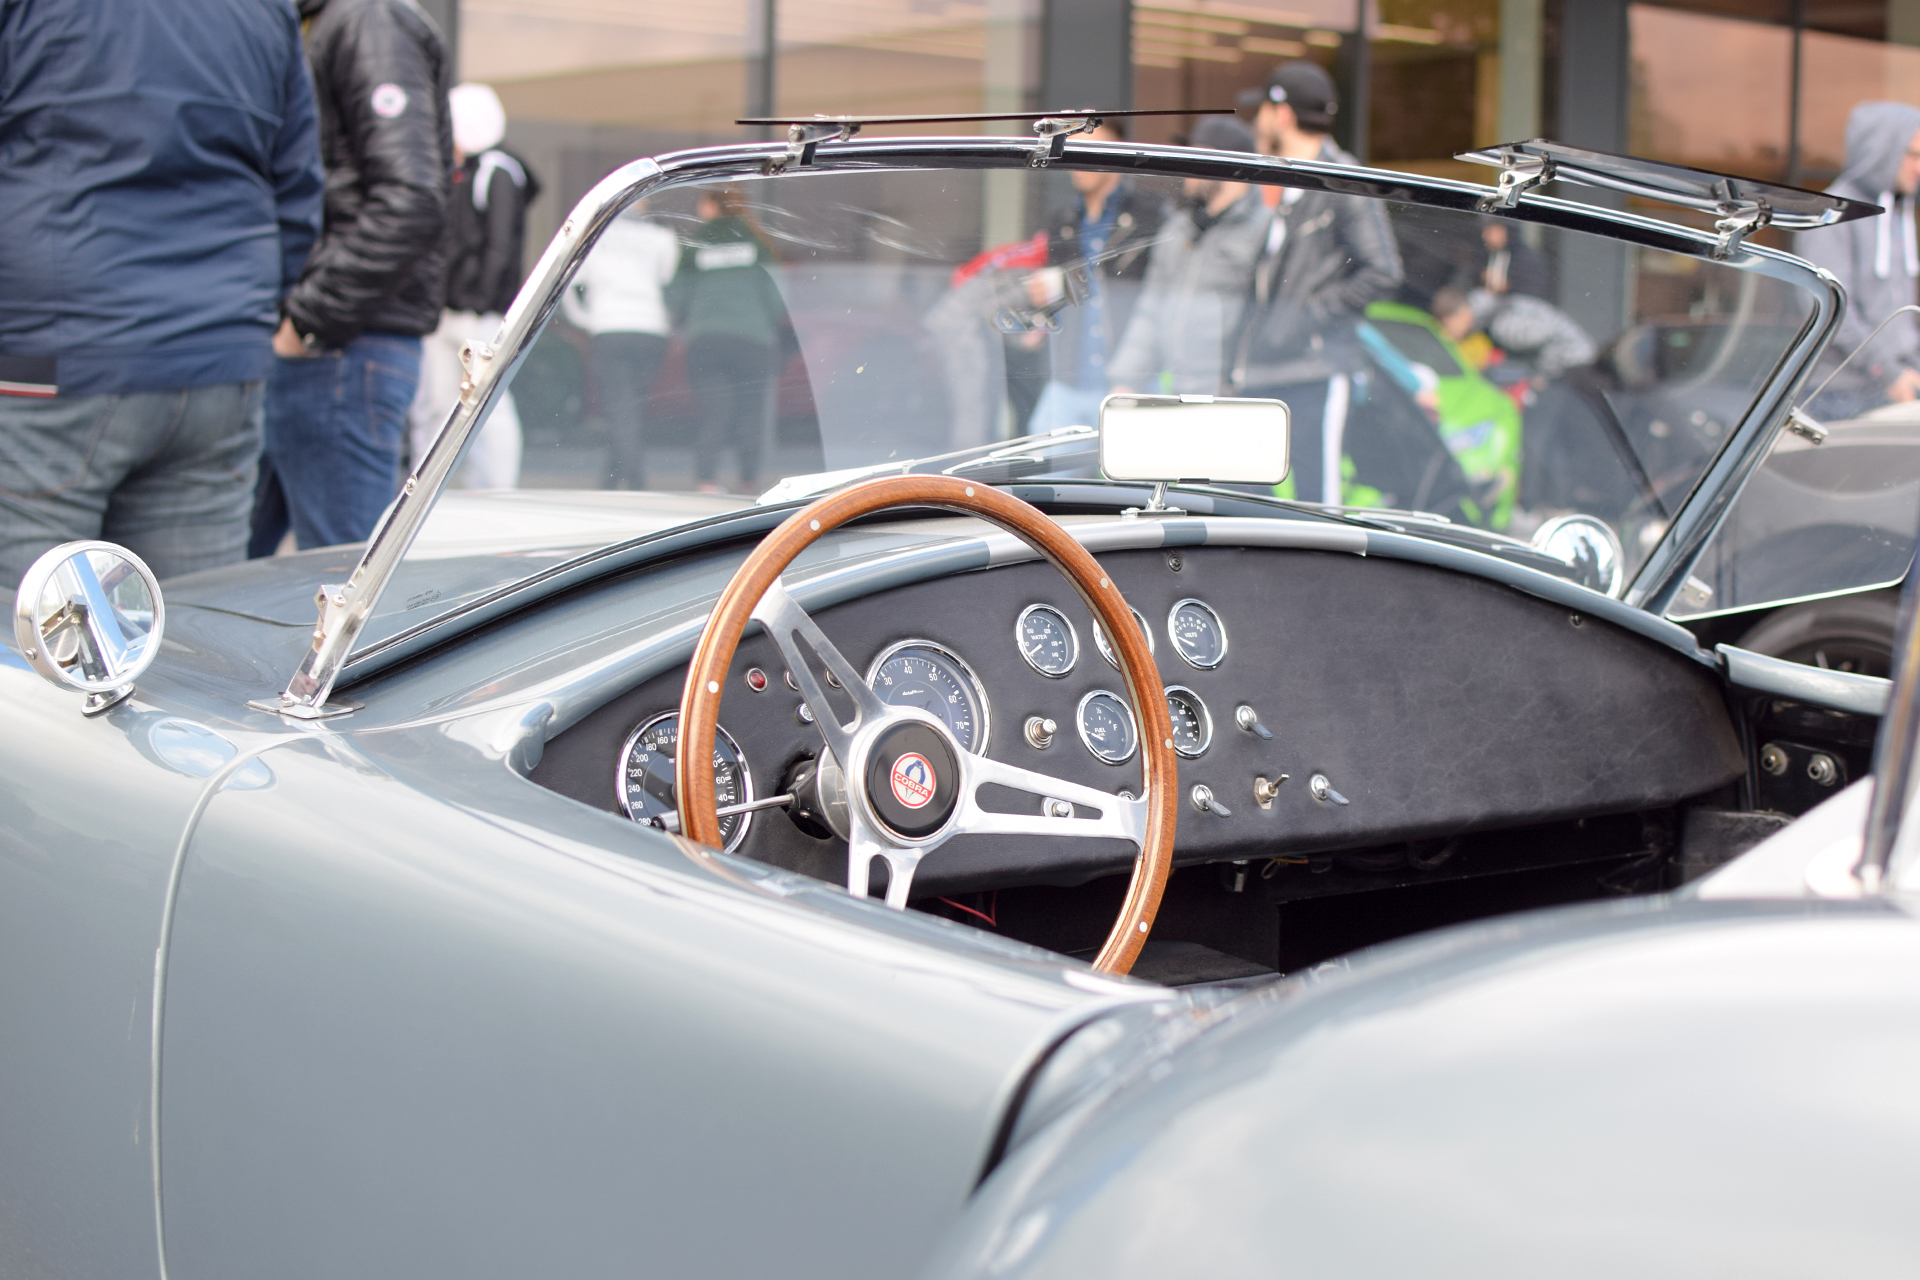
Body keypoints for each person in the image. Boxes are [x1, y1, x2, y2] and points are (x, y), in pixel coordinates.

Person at [0, 0, 322, 582]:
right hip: (218, 359)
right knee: (187, 643)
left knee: (27, 641)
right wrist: (247, 313)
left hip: (49, 358)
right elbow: (297, 185)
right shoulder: (266, 10)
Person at [251, 0, 453, 556]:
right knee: (230, 581)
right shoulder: (326, 22)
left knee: (343, 588)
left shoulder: (369, 19)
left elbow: (410, 201)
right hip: (317, 349)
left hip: (339, 350)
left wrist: (306, 322)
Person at [1231, 60, 1403, 506]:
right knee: (1248, 501)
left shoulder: (1342, 177)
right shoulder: (1282, 179)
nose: (1260, 122)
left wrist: (1306, 318)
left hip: (1315, 371)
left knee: (1316, 504)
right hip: (1265, 369)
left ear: (1282, 114)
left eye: (1265, 111)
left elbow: (1383, 270)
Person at [407, 82, 538, 489]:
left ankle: (497, 492)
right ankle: (429, 493)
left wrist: (482, 301)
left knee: (489, 407)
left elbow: (501, 246)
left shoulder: (499, 170)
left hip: (478, 316)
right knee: (436, 406)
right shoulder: (459, 172)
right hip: (444, 313)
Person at [1107, 116, 1271, 397]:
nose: (1184, 170)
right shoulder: (1179, 227)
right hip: (1177, 393)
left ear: (1221, 166)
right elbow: (1151, 308)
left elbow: (1270, 319)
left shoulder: (1265, 229)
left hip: (1235, 398)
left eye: (1193, 159)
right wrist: (1126, 379)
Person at [1024, 121, 1167, 434]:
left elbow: (1159, 298)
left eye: (1090, 149)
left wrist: (1136, 373)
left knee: (1142, 479)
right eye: (1073, 150)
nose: (1079, 160)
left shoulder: (1151, 215)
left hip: (1132, 383)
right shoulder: (1062, 220)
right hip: (1069, 381)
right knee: (1038, 474)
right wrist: (1040, 305)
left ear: (1117, 154)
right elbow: (1059, 295)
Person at [1797, 101, 1920, 418]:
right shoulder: (1833, 215)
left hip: (1889, 389)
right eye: (1912, 154)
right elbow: (1832, 309)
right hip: (1838, 398)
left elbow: (1898, 316)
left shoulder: (1898, 216)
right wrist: (1887, 372)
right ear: (1881, 150)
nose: (1918, 166)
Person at [668, 187, 787, 493]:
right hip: (753, 341)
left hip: (707, 340)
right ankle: (748, 482)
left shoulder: (696, 241)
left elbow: (675, 297)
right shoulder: (757, 241)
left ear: (710, 206)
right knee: (751, 412)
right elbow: (777, 297)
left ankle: (705, 480)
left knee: (713, 412)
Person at [561, 202, 680, 489]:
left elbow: (567, 282)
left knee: (620, 408)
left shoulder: (595, 236)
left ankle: (636, 482)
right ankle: (611, 481)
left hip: (610, 326)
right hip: (651, 327)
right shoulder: (661, 236)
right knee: (630, 409)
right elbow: (670, 280)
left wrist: (584, 319)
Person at [1432, 286, 1594, 382]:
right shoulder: (1491, 313)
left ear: (1460, 314)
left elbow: (1548, 334)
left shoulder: (1502, 325)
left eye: (1446, 326)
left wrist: (1542, 375)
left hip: (1575, 363)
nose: (1447, 335)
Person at [1477, 221, 1550, 300]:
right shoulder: (1486, 254)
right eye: (1486, 232)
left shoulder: (1524, 258)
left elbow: (1531, 290)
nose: (1486, 237)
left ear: (1507, 231)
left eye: (1493, 232)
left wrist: (1505, 285)